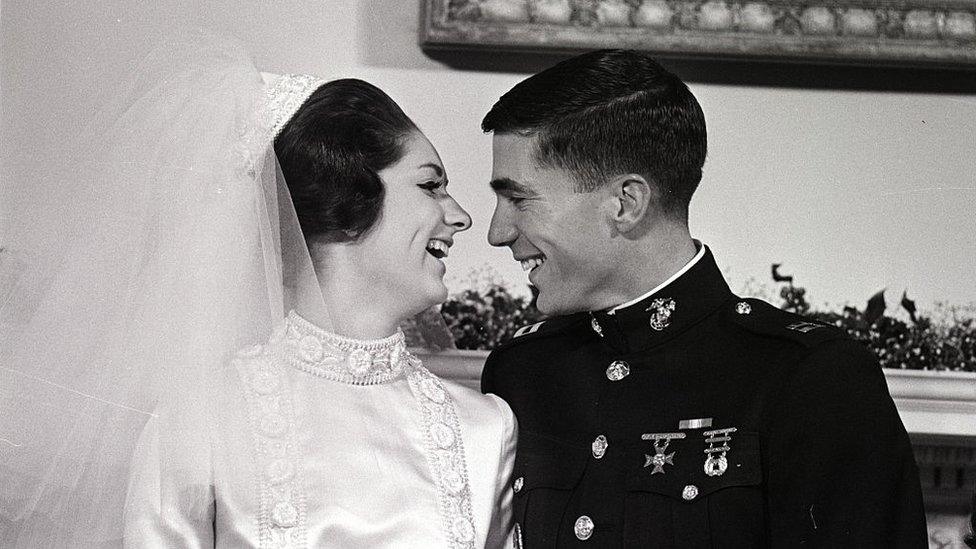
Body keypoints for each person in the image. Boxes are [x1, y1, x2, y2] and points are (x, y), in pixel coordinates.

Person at [0, 35, 515, 548]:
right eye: (430, 185)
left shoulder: (485, 429)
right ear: (346, 196)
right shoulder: (198, 425)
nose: (460, 216)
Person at [479, 49, 926, 548]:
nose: (498, 232)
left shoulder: (808, 377)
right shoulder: (523, 371)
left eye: (518, 199)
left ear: (625, 203)